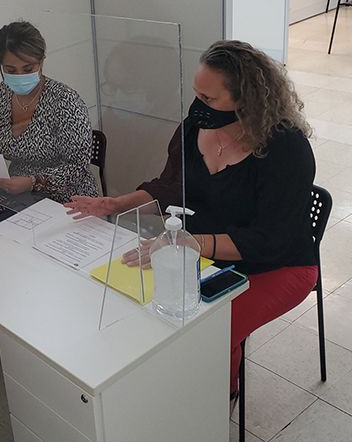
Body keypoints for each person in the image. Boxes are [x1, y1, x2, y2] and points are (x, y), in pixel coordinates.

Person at [64, 40, 317, 402]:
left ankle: (218, 398)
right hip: (203, 255)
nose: (199, 106)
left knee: (209, 332)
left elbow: (271, 238)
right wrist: (116, 204)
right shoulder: (191, 129)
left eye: (209, 100)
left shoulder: (285, 150)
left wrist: (197, 244)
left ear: (246, 99)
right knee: (147, 314)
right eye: (197, 94)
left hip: (276, 266)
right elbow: (170, 187)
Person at [0, 20, 98, 203]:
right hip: (17, 197)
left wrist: (32, 182)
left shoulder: (65, 101)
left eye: (28, 69)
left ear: (41, 62)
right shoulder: (0, 94)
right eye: (10, 70)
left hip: (67, 200)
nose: (19, 77)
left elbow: (78, 167)